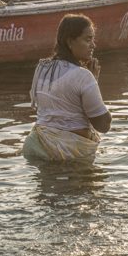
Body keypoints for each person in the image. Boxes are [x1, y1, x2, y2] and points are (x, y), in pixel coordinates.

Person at [22, 14, 112, 162]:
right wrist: (93, 82)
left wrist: (92, 81)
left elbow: (61, 107)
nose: (93, 45)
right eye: (88, 39)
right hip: (68, 154)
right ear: (70, 41)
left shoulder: (42, 68)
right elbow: (103, 125)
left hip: (37, 147)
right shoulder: (83, 76)